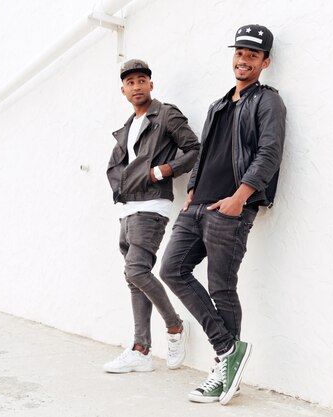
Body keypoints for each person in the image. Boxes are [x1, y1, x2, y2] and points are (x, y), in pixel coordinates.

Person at [159, 24, 286, 404]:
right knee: (171, 269)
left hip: (230, 209)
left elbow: (269, 152)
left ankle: (222, 369)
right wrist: (193, 189)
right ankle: (231, 351)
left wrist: (240, 197)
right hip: (197, 206)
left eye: (252, 55)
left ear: (265, 61)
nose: (243, 60)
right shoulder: (218, 104)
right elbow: (205, 151)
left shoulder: (268, 101)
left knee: (221, 287)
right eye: (239, 53)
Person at [103, 59, 200, 373]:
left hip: (152, 206)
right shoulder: (128, 127)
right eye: (130, 82)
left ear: (151, 84)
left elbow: (194, 149)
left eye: (141, 80)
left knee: (137, 271)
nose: (136, 86)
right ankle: (141, 350)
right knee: (134, 279)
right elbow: (119, 167)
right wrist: (122, 190)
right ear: (123, 90)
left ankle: (174, 327)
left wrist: (163, 170)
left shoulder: (166, 115)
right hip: (128, 208)